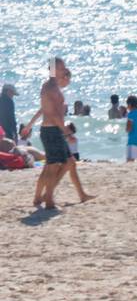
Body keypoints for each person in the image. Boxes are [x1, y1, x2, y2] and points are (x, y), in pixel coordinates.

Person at [21, 58, 87, 208]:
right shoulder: (51, 88)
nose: (65, 69)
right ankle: (48, 199)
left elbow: (43, 109)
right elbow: (52, 114)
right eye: (62, 67)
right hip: (52, 130)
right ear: (54, 70)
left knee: (58, 164)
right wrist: (67, 132)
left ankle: (40, 197)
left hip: (52, 129)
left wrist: (30, 124)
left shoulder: (52, 86)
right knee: (53, 165)